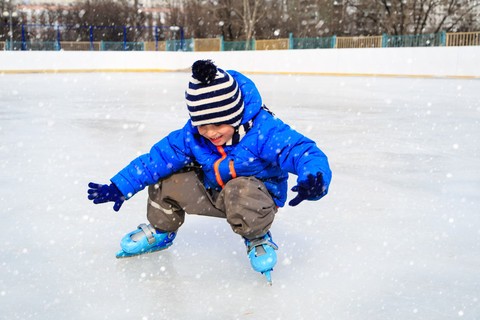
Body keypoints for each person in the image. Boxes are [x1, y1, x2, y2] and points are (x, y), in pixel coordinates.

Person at [87, 59, 332, 284]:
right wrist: (121, 186)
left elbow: (303, 151)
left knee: (240, 189)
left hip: (254, 198)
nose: (211, 132)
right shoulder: (193, 135)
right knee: (166, 176)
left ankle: (256, 235)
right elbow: (157, 159)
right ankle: (162, 230)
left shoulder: (264, 132)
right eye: (203, 125)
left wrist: (314, 178)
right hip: (213, 191)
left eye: (218, 124)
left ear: (235, 115)